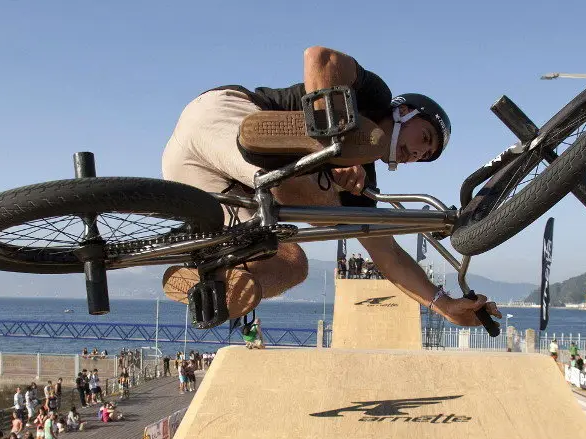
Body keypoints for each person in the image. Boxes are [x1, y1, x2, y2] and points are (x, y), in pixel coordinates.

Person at [159, 46, 498, 325]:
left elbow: (388, 254)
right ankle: (313, 145)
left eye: (425, 157)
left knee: (293, 262)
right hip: (224, 119)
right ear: (405, 112)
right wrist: (334, 144)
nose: (418, 153)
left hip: (201, 175)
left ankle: (208, 282)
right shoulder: (375, 96)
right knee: (322, 195)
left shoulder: (364, 183)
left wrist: (445, 306)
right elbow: (319, 57)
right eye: (424, 138)